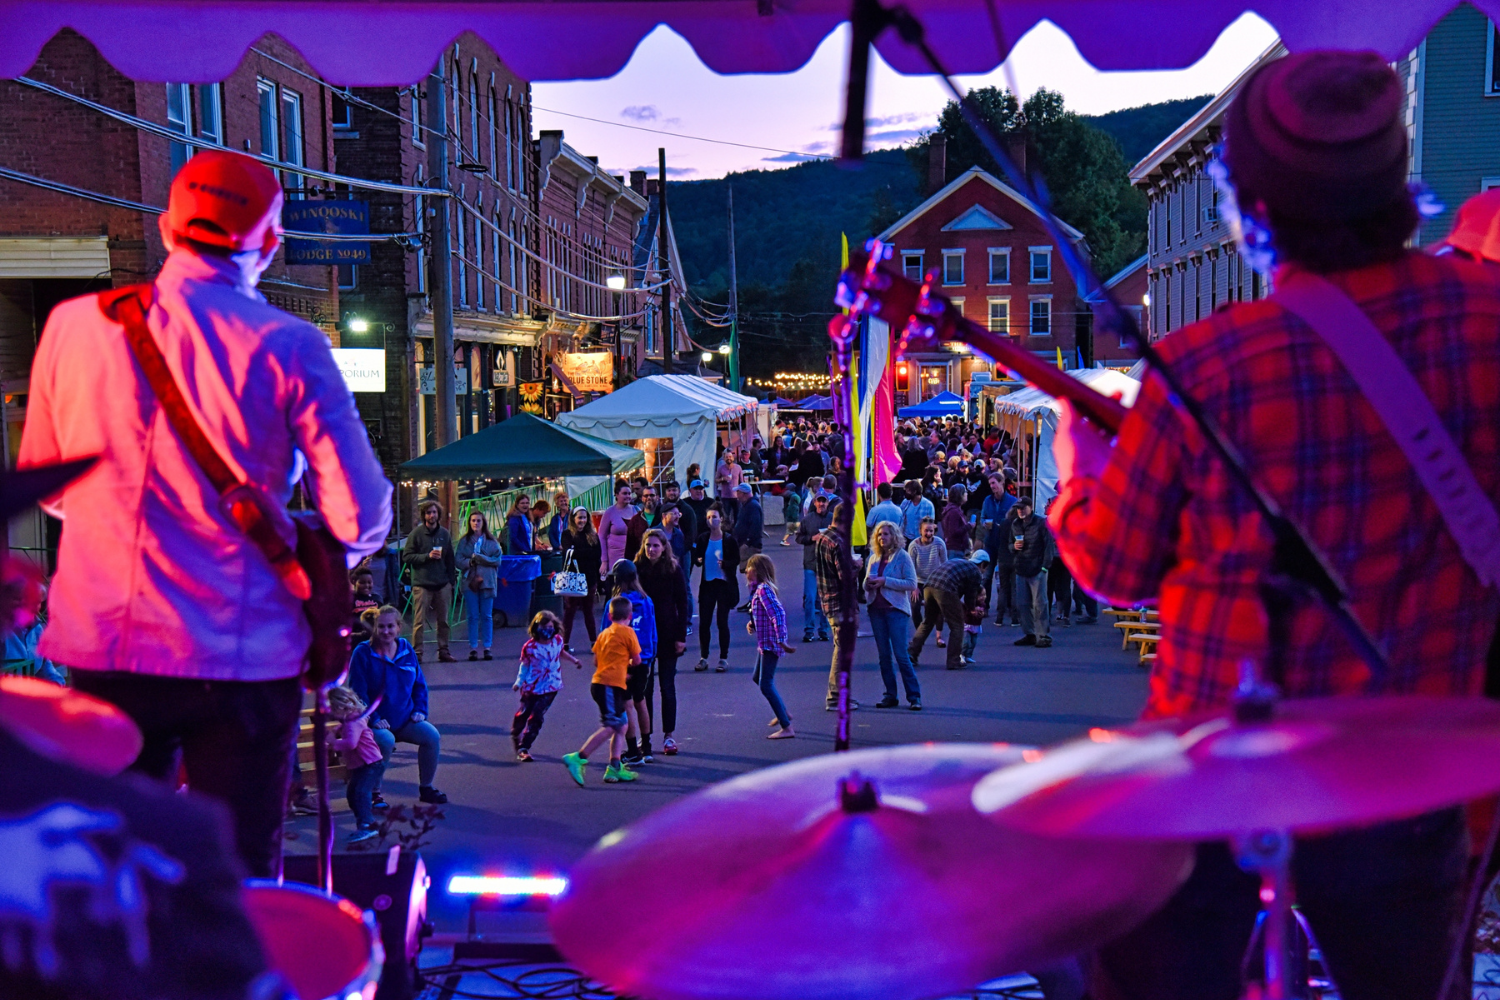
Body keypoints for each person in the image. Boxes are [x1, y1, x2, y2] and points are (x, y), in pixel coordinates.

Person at [1050, 51, 1500, 1000]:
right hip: (1410, 773)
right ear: (1397, 185)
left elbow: (1116, 568)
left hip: (1217, 779)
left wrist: (1077, 477)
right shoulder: (1489, 324)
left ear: (1250, 207)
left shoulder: (1206, 366)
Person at [18, 150, 392, 879]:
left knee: (116, 872)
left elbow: (49, 486)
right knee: (237, 878)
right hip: (242, 658)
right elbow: (362, 517)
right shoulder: (290, 345)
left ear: (167, 229)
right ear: (272, 244)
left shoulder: (72, 326)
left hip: (108, 650)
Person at [347, 605, 448, 804]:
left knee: (431, 736)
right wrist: (374, 718)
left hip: (404, 718)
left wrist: (420, 710)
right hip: (373, 722)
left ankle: (426, 788)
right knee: (385, 740)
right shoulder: (363, 653)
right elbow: (358, 693)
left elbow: (419, 684)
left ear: (399, 628)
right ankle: (374, 793)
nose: (386, 631)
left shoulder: (405, 649)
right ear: (374, 628)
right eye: (381, 627)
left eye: (390, 626)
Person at [562, 595, 641, 786]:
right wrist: (625, 667)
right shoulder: (628, 633)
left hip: (601, 683)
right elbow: (636, 660)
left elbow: (597, 660)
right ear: (629, 615)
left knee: (622, 724)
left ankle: (614, 766)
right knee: (612, 726)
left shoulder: (604, 634)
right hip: (610, 686)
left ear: (610, 615)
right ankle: (579, 757)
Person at [637, 529, 689, 757]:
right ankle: (645, 738)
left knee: (667, 687)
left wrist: (681, 637)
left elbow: (682, 602)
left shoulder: (673, 569)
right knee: (644, 689)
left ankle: (669, 735)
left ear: (664, 547)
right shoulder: (636, 568)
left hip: (668, 633)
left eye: (656, 546)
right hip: (643, 636)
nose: (651, 549)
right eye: (648, 545)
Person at [601, 559, 657, 765]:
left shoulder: (614, 604)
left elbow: (604, 633)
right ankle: (647, 747)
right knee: (640, 700)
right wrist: (650, 655)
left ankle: (633, 751)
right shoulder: (647, 600)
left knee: (626, 705)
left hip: (622, 661)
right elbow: (652, 630)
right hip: (643, 657)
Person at [864, 521, 921, 710]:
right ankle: (890, 695)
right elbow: (866, 582)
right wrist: (868, 583)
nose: (882, 538)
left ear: (894, 536)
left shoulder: (902, 557)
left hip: (896, 610)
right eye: (879, 535)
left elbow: (911, 583)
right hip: (876, 610)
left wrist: (885, 581)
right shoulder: (873, 558)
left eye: (886, 534)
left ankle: (914, 696)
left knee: (901, 654)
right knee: (884, 656)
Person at [512, 610, 580, 762]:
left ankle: (524, 746)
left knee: (537, 715)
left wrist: (574, 660)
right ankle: (516, 732)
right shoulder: (530, 647)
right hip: (532, 686)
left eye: (549, 627)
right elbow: (524, 665)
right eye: (543, 628)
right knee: (525, 712)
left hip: (551, 686)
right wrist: (518, 682)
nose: (547, 631)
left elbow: (561, 653)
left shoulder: (557, 641)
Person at [744, 554, 797, 739]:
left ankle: (786, 726)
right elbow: (762, 614)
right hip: (764, 643)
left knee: (765, 684)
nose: (745, 571)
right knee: (757, 678)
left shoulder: (763, 590)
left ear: (758, 570)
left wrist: (782, 640)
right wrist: (753, 623)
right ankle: (782, 710)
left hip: (771, 644)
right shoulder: (757, 590)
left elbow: (778, 614)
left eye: (749, 568)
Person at [909, 551, 988, 671]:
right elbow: (970, 596)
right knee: (957, 625)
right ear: (983, 564)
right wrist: (972, 609)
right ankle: (953, 660)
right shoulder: (975, 572)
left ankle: (911, 654)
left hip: (929, 586)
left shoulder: (962, 563)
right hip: (945, 588)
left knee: (927, 621)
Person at [326, 684, 385, 845]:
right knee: (353, 795)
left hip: (370, 763)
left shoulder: (354, 722)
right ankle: (364, 822)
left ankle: (367, 825)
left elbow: (351, 743)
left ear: (341, 707)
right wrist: (338, 729)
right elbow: (345, 726)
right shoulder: (351, 718)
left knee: (360, 793)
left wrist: (333, 742)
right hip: (361, 765)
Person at [815, 502, 859, 712]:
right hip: (841, 602)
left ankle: (837, 696)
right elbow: (846, 577)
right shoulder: (839, 542)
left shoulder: (823, 537)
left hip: (827, 600)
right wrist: (856, 567)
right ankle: (835, 697)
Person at [404, 500, 458, 664]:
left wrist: (451, 581)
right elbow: (406, 556)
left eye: (434, 512)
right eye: (428, 513)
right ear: (424, 515)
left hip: (442, 583)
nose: (431, 515)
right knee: (419, 621)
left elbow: (450, 559)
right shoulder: (416, 534)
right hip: (422, 584)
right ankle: (417, 653)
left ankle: (444, 651)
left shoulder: (444, 534)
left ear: (438, 514)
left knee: (444, 621)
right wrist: (426, 556)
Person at [693, 508, 740, 671]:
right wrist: (698, 560)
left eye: (714, 517)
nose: (711, 520)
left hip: (724, 585)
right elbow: (697, 558)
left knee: (722, 622)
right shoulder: (703, 538)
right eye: (708, 517)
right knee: (704, 623)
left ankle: (723, 658)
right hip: (707, 584)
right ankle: (703, 657)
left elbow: (736, 560)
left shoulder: (728, 540)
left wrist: (726, 564)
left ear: (721, 519)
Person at [456, 510, 502, 661]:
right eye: (473, 521)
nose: (476, 523)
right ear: (470, 523)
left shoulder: (491, 541)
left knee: (487, 615)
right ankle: (473, 647)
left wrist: (481, 558)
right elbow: (458, 560)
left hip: (488, 581)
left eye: (479, 521)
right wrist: (469, 562)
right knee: (472, 615)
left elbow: (497, 560)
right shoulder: (464, 541)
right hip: (470, 581)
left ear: (484, 523)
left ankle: (487, 647)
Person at [1009, 497, 1053, 648]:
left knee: (1040, 604)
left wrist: (1044, 567)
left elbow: (1049, 546)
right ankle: (1030, 634)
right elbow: (1009, 545)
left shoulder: (1041, 523)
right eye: (1018, 508)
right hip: (1021, 567)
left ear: (1030, 507)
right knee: (1023, 603)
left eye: (1023, 508)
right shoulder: (1015, 524)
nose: (1020, 511)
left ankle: (1043, 635)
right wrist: (1014, 546)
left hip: (1037, 568)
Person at [559, 505, 602, 652]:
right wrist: (586, 552)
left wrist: (579, 552)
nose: (582, 521)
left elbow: (597, 554)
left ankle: (593, 642)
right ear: (573, 518)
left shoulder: (592, 535)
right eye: (579, 517)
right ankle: (564, 644)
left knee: (588, 610)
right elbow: (568, 552)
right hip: (573, 577)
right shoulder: (567, 534)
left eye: (584, 518)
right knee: (570, 610)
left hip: (589, 577)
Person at [980, 473, 1020, 626]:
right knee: (987, 576)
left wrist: (1000, 525)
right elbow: (983, 517)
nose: (992, 486)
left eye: (994, 483)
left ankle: (1009, 607)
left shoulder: (1012, 501)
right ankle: (984, 605)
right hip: (990, 542)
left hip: (1005, 544)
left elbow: (1015, 522)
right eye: (990, 484)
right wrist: (985, 524)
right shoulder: (987, 500)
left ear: (1002, 483)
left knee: (1008, 578)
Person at [796, 492, 835, 642]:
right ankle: (809, 630)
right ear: (815, 502)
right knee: (810, 598)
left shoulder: (832, 519)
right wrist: (812, 538)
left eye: (824, 502)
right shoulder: (807, 519)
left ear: (827, 503)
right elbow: (799, 537)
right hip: (811, 563)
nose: (821, 504)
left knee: (825, 598)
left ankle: (824, 630)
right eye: (819, 502)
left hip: (827, 564)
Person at [907, 517, 947, 630]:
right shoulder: (913, 546)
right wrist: (914, 587)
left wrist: (944, 583)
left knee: (939, 606)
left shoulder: (939, 543)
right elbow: (910, 568)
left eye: (931, 531)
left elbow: (945, 564)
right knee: (915, 607)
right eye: (926, 531)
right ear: (920, 531)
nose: (929, 533)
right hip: (919, 580)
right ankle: (920, 631)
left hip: (935, 580)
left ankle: (939, 635)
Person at [597, 480, 637, 576]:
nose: (628, 496)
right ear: (616, 495)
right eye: (624, 493)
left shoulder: (636, 510)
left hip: (633, 555)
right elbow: (601, 536)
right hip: (615, 556)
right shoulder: (609, 512)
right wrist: (604, 561)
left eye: (629, 493)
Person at [350, 567, 381, 645]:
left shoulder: (377, 598)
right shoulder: (350, 598)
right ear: (354, 582)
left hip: (375, 637)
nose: (367, 585)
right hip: (357, 638)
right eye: (362, 582)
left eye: (369, 582)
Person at [898, 479, 935, 544]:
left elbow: (931, 524)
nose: (906, 493)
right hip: (906, 539)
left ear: (914, 491)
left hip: (921, 540)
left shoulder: (928, 505)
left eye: (908, 491)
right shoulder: (905, 503)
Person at [662, 481, 697, 546]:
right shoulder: (662, 508)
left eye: (674, 490)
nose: (671, 493)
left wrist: (683, 549)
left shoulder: (687, 509)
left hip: (681, 549)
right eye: (669, 490)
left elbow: (692, 533)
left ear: (679, 491)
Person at [940, 484, 972, 555]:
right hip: (955, 549)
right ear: (960, 495)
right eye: (965, 492)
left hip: (956, 548)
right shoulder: (954, 511)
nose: (967, 494)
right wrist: (969, 526)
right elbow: (953, 531)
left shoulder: (954, 509)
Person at [682, 479, 715, 545]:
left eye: (701, 488)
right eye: (696, 489)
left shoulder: (711, 502)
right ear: (690, 490)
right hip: (690, 537)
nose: (698, 491)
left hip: (707, 536)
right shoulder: (683, 503)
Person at [780, 479, 803, 547]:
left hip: (789, 517)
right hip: (793, 519)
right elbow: (795, 514)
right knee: (791, 530)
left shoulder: (787, 496)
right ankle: (783, 540)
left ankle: (799, 537)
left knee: (794, 530)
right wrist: (796, 518)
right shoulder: (795, 502)